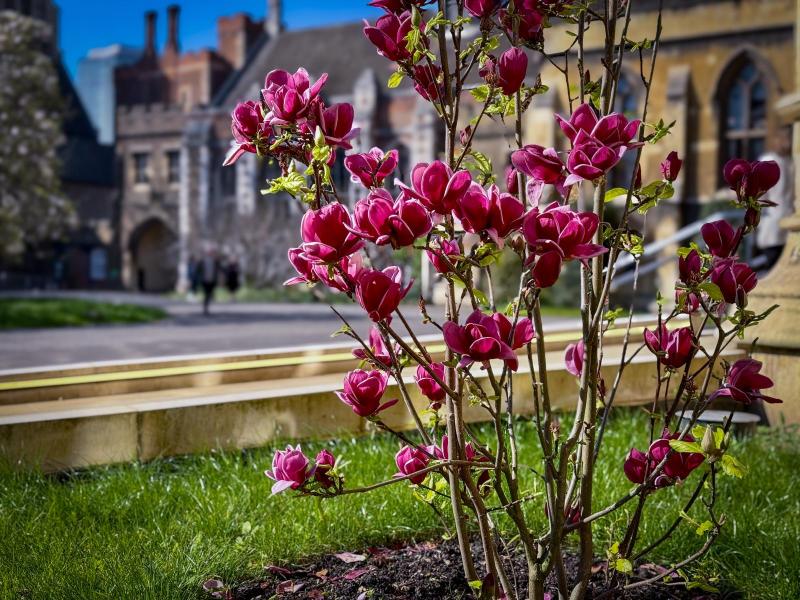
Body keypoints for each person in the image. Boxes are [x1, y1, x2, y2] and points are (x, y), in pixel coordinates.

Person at [757, 127, 795, 268]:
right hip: (773, 225)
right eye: (785, 139)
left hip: (791, 226)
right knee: (772, 266)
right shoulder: (768, 162)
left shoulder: (791, 162)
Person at [197, 248, 220, 315]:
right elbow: (198, 270)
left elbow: (218, 270)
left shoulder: (215, 261)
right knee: (206, 294)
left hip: (212, 280)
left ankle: (207, 306)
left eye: (211, 252)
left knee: (209, 294)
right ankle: (205, 308)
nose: (210, 253)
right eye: (209, 252)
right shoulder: (202, 261)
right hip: (204, 280)